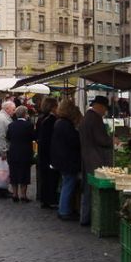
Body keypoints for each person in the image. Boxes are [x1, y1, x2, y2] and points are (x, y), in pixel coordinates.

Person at [78, 95, 114, 226]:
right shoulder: (95, 118)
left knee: (87, 189)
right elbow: (101, 139)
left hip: (87, 157)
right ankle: (88, 218)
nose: (105, 112)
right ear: (99, 106)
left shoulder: (87, 117)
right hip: (95, 158)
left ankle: (85, 217)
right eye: (105, 109)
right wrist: (112, 141)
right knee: (91, 190)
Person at [50, 99, 83, 221]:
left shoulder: (59, 123)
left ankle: (63, 209)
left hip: (61, 159)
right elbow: (74, 141)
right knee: (68, 184)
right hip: (68, 160)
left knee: (66, 184)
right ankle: (64, 211)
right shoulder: (65, 124)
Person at [6, 106, 36, 203]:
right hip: (25, 152)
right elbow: (33, 137)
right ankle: (23, 195)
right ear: (25, 114)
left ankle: (15, 194)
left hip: (13, 151)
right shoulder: (29, 125)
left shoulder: (11, 125)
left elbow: (8, 138)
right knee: (24, 173)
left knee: (14, 172)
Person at [35, 97, 60, 209]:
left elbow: (36, 135)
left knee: (44, 177)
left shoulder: (41, 119)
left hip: (42, 152)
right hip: (49, 153)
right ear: (53, 107)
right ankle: (50, 200)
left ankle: (44, 199)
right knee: (50, 177)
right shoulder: (51, 120)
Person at [0, 100, 16, 199]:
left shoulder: (3, 116)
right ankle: (1, 192)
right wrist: (3, 151)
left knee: (3, 170)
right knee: (1, 171)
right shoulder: (2, 118)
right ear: (7, 109)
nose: (14, 111)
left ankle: (3, 190)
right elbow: (1, 136)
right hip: (0, 149)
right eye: (13, 109)